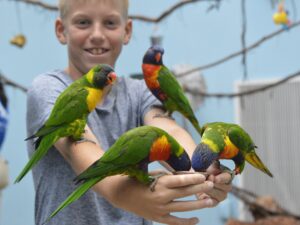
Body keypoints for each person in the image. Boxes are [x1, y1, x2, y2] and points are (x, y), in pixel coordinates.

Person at [26, 0, 232, 225]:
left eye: (110, 23)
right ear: (61, 30)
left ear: (127, 31)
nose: (97, 34)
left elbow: (168, 129)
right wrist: (129, 194)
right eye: (83, 22)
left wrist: (203, 168)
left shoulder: (141, 92)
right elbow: (80, 145)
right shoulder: (48, 89)